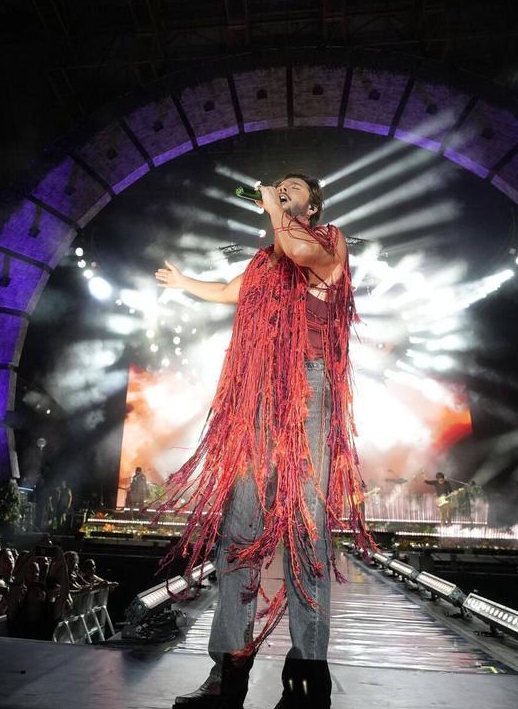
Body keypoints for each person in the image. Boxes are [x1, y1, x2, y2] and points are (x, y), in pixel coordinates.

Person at [156, 175, 372, 709]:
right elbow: (230, 293)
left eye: (293, 187)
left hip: (308, 386)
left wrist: (276, 209)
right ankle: (226, 673)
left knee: (306, 528)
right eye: (279, 187)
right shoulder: (261, 260)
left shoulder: (327, 240)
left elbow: (297, 249)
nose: (282, 190)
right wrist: (184, 282)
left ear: (312, 203)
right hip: (256, 394)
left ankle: (306, 679)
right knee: (241, 529)